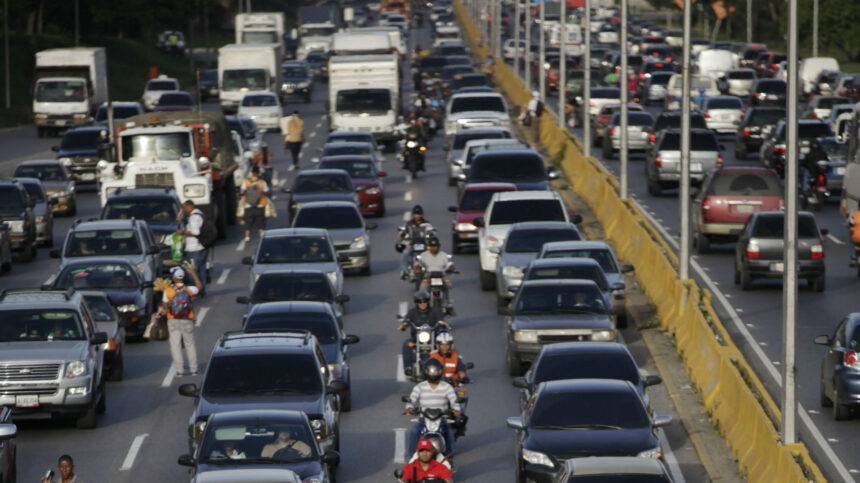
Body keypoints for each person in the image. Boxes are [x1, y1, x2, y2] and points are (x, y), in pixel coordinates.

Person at [404, 359, 461, 454]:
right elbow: (412, 399)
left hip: (442, 419)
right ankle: (412, 456)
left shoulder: (447, 387)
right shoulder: (420, 386)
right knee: (414, 430)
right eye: (430, 371)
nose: (433, 374)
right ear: (425, 371)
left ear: (440, 371)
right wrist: (409, 407)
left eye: (436, 371)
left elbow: (453, 400)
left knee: (450, 432)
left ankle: (449, 455)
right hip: (423, 419)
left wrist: (456, 409)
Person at [160, 265, 201, 377]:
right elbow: (199, 286)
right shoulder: (189, 290)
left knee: (175, 346)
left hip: (173, 320)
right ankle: (194, 370)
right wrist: (193, 272)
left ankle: (180, 371)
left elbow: (164, 307)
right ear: (183, 277)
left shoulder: (168, 290)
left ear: (174, 278)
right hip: (187, 319)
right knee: (190, 344)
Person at [399, 290, 449, 376]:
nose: (422, 304)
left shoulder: (434, 311)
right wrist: (403, 325)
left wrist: (443, 323)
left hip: (433, 338)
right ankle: (408, 367)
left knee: (445, 344)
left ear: (428, 301)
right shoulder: (412, 312)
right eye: (419, 302)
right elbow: (406, 320)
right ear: (416, 302)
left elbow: (440, 319)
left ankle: (447, 367)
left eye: (424, 301)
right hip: (416, 339)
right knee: (407, 344)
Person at [417, 236, 455, 316]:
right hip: (428, 277)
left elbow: (450, 264)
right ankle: (421, 306)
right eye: (431, 246)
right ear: (429, 247)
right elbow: (418, 264)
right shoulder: (424, 255)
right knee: (422, 287)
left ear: (438, 246)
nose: (433, 248)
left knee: (448, 285)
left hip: (441, 277)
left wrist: (451, 268)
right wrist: (418, 268)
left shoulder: (444, 255)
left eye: (435, 246)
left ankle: (450, 305)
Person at [177, 199, 208, 297]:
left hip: (194, 248)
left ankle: (196, 291)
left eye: (184, 208)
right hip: (201, 247)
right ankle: (202, 291)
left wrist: (183, 232)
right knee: (201, 271)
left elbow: (195, 232)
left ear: (189, 206)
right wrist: (180, 216)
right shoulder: (200, 214)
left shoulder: (194, 217)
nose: (184, 210)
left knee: (192, 272)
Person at [398, 205, 435, 279]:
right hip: (412, 245)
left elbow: (431, 233)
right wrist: (400, 240)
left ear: (421, 214)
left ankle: (431, 271)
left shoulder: (427, 224)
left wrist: (431, 239)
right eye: (415, 214)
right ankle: (405, 271)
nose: (417, 216)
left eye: (418, 214)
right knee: (405, 253)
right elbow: (403, 233)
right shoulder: (409, 224)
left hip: (424, 244)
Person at [240, 166, 270, 243]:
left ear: (252, 173)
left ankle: (247, 238)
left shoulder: (246, 182)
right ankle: (262, 239)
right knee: (260, 224)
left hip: (248, 206)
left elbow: (242, 192)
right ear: (258, 173)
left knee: (248, 224)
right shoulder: (262, 182)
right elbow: (267, 191)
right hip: (260, 206)